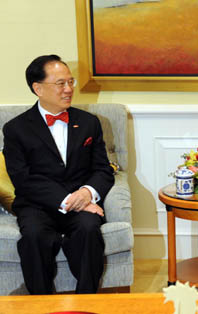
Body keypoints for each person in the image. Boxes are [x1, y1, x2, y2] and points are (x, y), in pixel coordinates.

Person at [2, 55, 114, 294]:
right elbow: (23, 179)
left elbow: (103, 169)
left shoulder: (89, 123)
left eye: (70, 82)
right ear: (38, 88)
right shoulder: (15, 129)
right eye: (61, 83)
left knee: (88, 230)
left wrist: (86, 193)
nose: (69, 89)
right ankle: (41, 303)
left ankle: (87, 301)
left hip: (83, 203)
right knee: (33, 236)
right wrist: (69, 201)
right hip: (37, 205)